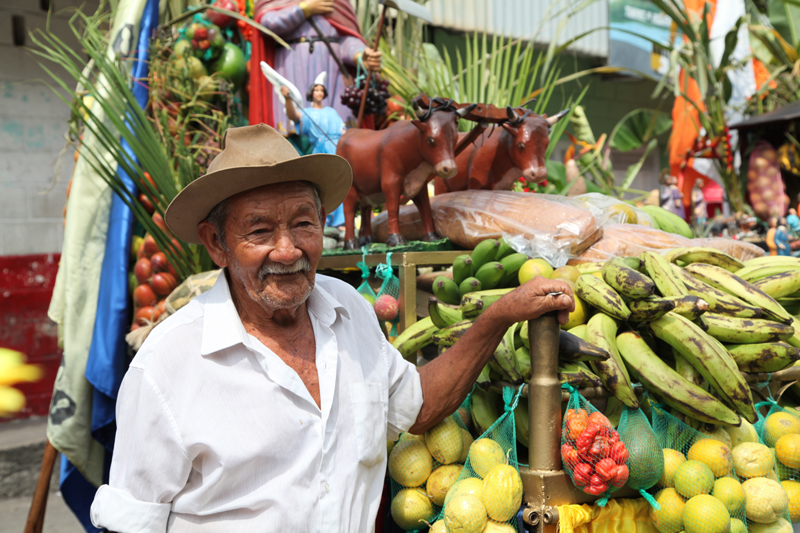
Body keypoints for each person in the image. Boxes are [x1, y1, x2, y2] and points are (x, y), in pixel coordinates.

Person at [89, 124, 574, 532]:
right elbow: (130, 522)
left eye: (303, 223)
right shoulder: (168, 365)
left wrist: (497, 316)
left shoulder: (348, 310)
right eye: (259, 231)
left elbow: (417, 406)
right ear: (217, 243)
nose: (287, 250)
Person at [253, 0, 381, 134]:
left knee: (334, 132)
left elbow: (345, 38)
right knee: (295, 133)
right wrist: (304, 9)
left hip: (332, 72)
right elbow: (266, 22)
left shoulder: (337, 2)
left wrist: (359, 55)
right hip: (291, 66)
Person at [282, 76, 346, 227]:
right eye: (316, 90)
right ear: (312, 93)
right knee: (325, 186)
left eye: (321, 90)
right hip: (321, 151)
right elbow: (292, 115)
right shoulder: (307, 112)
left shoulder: (331, 112)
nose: (319, 92)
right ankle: (326, 221)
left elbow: (342, 129)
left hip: (336, 148)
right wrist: (288, 99)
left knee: (340, 183)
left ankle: (341, 222)